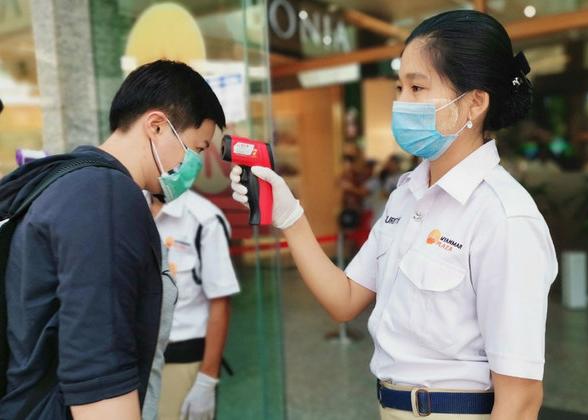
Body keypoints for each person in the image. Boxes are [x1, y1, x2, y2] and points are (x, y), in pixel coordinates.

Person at [230, 10, 557, 420]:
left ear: (475, 102)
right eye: (400, 87)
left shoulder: (504, 217)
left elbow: (521, 399)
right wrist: (290, 216)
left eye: (418, 87)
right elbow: (345, 299)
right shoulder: (406, 197)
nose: (402, 102)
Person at [0, 60, 225, 419]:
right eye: (197, 148)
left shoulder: (67, 180)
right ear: (156, 126)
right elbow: (99, 374)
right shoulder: (106, 197)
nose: (195, 165)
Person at [148, 190, 239, 420]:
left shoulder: (204, 218)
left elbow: (220, 302)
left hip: (181, 359)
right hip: (133, 361)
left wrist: (207, 379)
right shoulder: (128, 207)